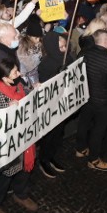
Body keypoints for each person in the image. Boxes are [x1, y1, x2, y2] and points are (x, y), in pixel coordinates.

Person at [0, 58, 38, 213]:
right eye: (15, 72)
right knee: (3, 179)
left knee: (23, 171)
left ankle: (20, 194)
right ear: (4, 77)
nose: (19, 73)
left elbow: (26, 93)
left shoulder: (18, 85)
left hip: (25, 139)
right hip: (7, 146)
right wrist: (7, 111)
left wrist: (34, 90)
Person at [75, 29, 107, 172]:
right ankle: (94, 159)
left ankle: (80, 148)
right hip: (103, 102)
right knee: (98, 131)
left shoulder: (85, 53)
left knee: (83, 122)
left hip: (86, 97)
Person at [36, 31, 72, 178]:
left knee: (58, 134)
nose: (64, 50)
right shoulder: (45, 64)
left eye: (65, 46)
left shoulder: (67, 58)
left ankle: (51, 156)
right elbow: (47, 87)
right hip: (51, 107)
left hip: (64, 103)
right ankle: (43, 160)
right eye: (61, 47)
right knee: (49, 135)